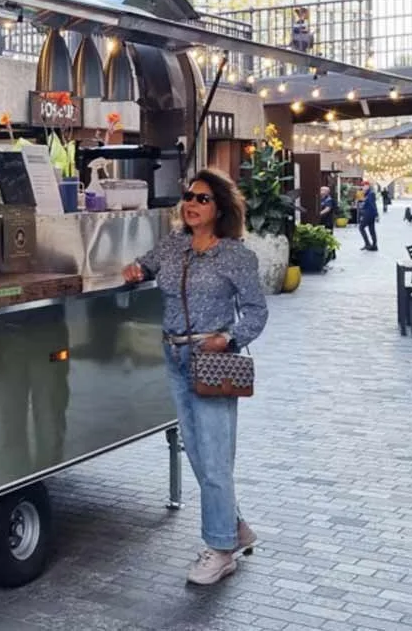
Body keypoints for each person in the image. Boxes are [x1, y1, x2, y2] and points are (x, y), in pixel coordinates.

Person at [121, 168, 269, 586]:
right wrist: (134, 270)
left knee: (215, 456)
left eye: (202, 198)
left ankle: (221, 550)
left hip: (211, 359)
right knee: (199, 455)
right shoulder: (174, 246)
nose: (192, 203)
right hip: (174, 356)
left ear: (220, 208)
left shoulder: (236, 255)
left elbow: (257, 311)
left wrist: (229, 338)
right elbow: (144, 266)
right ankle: (234, 527)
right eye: (189, 196)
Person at [358, 181, 378, 251]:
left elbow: (373, 204)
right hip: (370, 213)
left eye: (364, 186)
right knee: (371, 230)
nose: (362, 187)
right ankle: (374, 245)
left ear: (368, 186)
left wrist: (376, 214)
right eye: (362, 186)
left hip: (369, 213)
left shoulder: (370, 194)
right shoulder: (368, 193)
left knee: (361, 227)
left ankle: (368, 244)